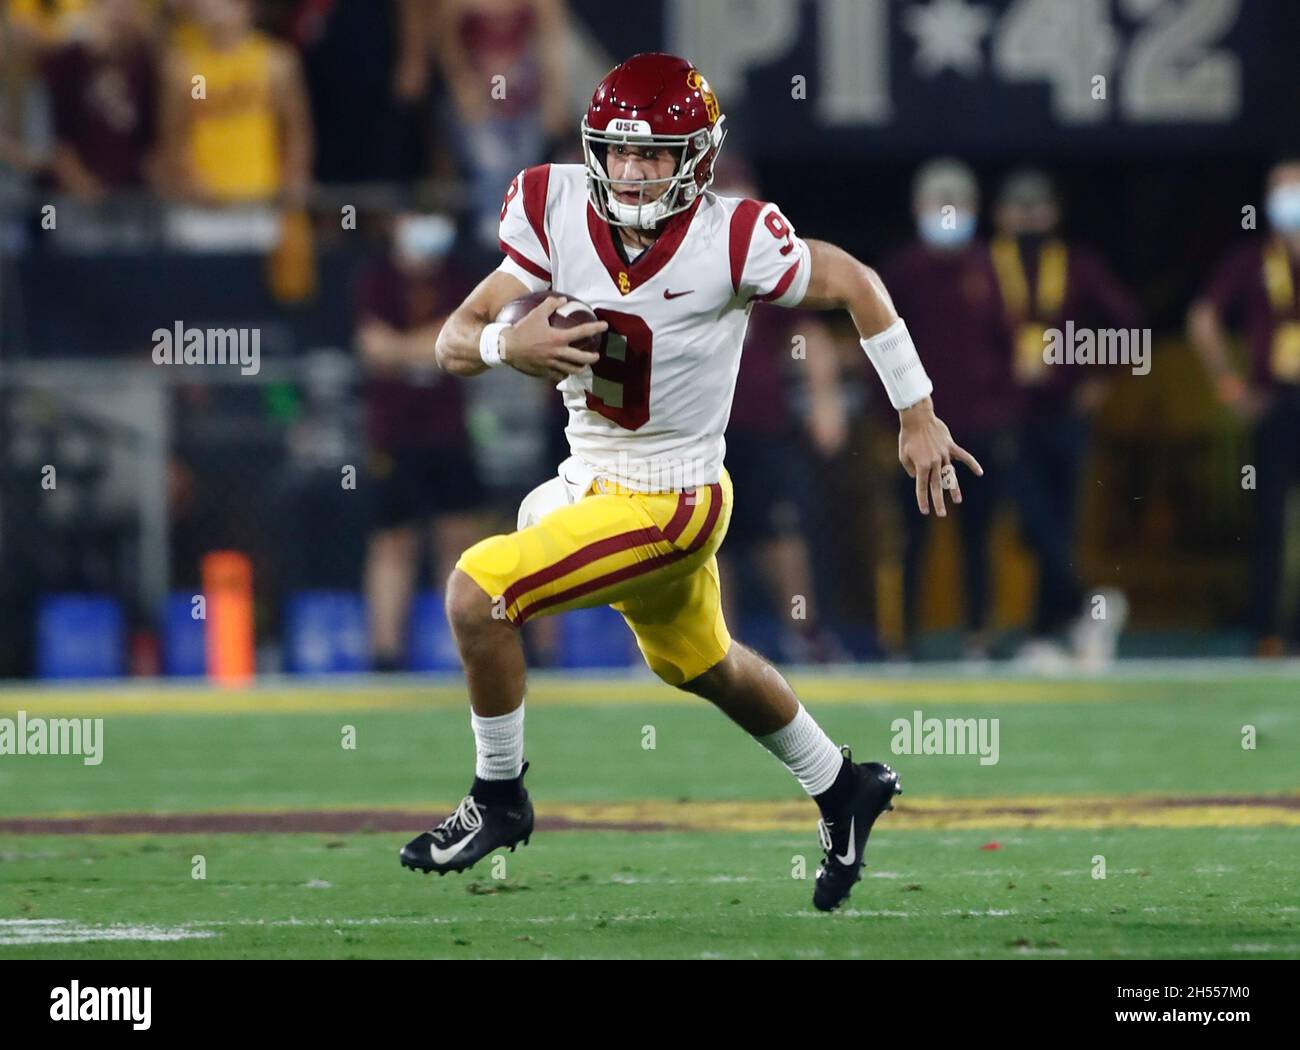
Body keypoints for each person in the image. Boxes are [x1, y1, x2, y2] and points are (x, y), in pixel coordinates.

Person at [399, 53, 981, 913]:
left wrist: (918, 413)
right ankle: (842, 786)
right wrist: (502, 347)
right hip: (589, 480)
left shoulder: (734, 237)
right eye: (618, 152)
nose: (630, 174)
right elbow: (455, 337)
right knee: (703, 664)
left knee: (473, 593)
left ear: (696, 159)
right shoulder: (551, 203)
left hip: (673, 500)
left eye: (654, 156)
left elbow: (857, 282)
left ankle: (499, 797)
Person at [991, 169, 1138, 668]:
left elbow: (1129, 324)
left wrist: (1099, 378)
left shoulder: (1078, 266)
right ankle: (1085, 610)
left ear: (1053, 214)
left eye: (1037, 209)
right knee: (1034, 525)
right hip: (1008, 418)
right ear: (1002, 216)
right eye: (1019, 208)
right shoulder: (986, 268)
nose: (1028, 218)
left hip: (1063, 417)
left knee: (1057, 524)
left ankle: (1050, 633)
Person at [881, 159, 1016, 659]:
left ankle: (978, 635)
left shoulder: (991, 269)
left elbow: (1007, 349)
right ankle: (904, 642)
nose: (946, 214)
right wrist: (889, 423)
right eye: (937, 204)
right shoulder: (901, 273)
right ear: (918, 208)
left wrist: (1002, 415)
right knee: (911, 539)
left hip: (977, 429)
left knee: (978, 538)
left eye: (956, 204)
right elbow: (879, 347)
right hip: (913, 431)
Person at [355, 211, 486, 671]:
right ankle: (385, 655)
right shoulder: (378, 280)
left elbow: (465, 339)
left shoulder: (459, 279)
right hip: (394, 434)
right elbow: (374, 348)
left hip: (448, 432)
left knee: (460, 542)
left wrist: (406, 348)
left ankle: (461, 655)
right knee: (393, 541)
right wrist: (433, 346)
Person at [1188, 159, 1300, 657]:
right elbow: (1203, 318)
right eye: (1281, 191)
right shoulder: (1253, 258)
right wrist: (1231, 388)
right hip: (1274, 403)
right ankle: (1268, 631)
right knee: (1270, 517)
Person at [433, 0, 569, 248]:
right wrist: (463, 88)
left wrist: (553, 96)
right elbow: (447, 43)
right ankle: (491, 234)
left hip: (525, 95)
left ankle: (525, 233)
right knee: (491, 158)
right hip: (476, 93)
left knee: (526, 162)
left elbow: (551, 41)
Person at [157, 0, 311, 204]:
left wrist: (293, 179)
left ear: (247, 7)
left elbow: (296, 130)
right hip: (205, 201)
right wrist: (190, 180)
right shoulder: (190, 71)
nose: (215, 9)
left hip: (262, 196)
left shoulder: (275, 63)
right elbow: (176, 135)